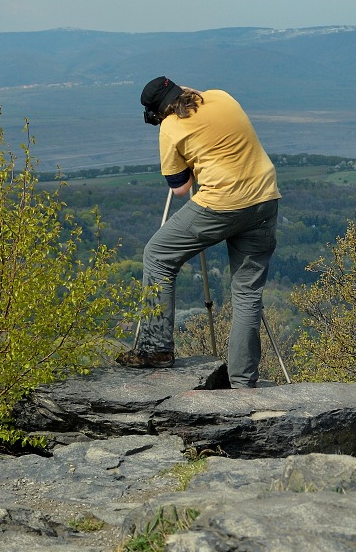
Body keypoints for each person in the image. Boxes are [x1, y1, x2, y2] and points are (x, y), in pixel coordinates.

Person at [115, 76, 280, 389]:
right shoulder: (221, 96)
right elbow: (197, 94)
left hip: (221, 204)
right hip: (265, 198)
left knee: (158, 254)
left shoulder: (170, 127)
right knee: (247, 294)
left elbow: (180, 189)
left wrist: (189, 158)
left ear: (157, 112)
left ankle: (156, 349)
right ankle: (243, 384)